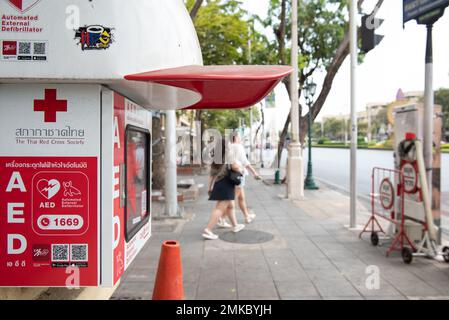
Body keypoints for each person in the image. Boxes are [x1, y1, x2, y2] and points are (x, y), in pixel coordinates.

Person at [218, 130, 262, 227]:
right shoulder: (238, 147)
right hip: (238, 175)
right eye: (239, 136)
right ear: (235, 137)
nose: (240, 138)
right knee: (231, 198)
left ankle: (247, 216)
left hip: (231, 175)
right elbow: (245, 162)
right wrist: (254, 173)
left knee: (241, 197)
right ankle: (222, 218)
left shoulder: (228, 147)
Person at [203, 139, 245, 240]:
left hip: (218, 183)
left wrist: (209, 187)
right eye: (229, 145)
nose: (230, 146)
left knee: (230, 205)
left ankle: (235, 225)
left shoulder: (216, 158)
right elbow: (235, 167)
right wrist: (241, 169)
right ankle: (208, 230)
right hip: (226, 183)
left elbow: (211, 174)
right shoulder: (228, 155)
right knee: (219, 208)